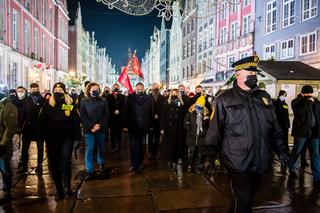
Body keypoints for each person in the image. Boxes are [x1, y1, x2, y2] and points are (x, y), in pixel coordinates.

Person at [204, 56, 289, 213]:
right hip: (237, 160)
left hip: (261, 159)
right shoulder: (224, 99)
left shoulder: (264, 97)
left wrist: (282, 151)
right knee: (243, 202)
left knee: (245, 200)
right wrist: (210, 155)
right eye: (250, 72)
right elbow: (215, 130)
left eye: (255, 73)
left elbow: (274, 128)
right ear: (238, 75)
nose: (254, 75)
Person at [38, 82, 81, 200]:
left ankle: (67, 187)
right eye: (56, 89)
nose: (58, 91)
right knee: (54, 164)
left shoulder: (69, 103)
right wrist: (41, 136)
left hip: (67, 138)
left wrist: (78, 137)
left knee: (65, 162)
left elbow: (76, 121)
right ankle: (59, 190)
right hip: (52, 139)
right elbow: (41, 121)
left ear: (64, 91)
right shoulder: (47, 103)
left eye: (60, 89)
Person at [289, 85, 320, 187]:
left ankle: (317, 177)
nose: (310, 95)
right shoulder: (296, 101)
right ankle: (292, 169)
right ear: (302, 93)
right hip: (301, 133)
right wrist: (309, 101)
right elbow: (300, 111)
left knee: (315, 154)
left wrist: (314, 101)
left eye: (311, 93)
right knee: (296, 152)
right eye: (308, 94)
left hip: (314, 133)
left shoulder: (315, 102)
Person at [80, 83, 109, 180]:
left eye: (97, 89)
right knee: (89, 149)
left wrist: (98, 125)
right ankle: (89, 170)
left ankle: (101, 163)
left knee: (101, 147)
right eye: (93, 89)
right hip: (89, 129)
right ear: (89, 90)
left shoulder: (103, 100)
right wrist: (92, 126)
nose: (95, 90)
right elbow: (83, 115)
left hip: (100, 128)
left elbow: (106, 114)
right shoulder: (84, 101)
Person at [123, 83, 153, 172]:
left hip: (144, 126)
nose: (140, 90)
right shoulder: (130, 98)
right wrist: (125, 125)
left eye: (141, 89)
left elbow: (151, 111)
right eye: (138, 89)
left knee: (142, 146)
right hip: (133, 126)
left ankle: (140, 163)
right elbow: (125, 112)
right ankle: (133, 164)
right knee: (133, 146)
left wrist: (151, 125)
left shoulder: (148, 98)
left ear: (143, 89)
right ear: (135, 88)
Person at [18, 83, 45, 174]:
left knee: (40, 148)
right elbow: (22, 114)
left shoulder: (43, 100)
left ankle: (39, 165)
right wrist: (20, 127)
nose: (34, 91)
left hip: (40, 128)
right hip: (28, 128)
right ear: (30, 90)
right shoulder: (26, 100)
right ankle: (24, 166)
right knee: (25, 148)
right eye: (32, 89)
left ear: (38, 89)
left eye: (36, 89)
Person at [161, 89, 185, 176]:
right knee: (170, 144)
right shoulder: (166, 102)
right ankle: (170, 159)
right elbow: (163, 116)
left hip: (178, 127)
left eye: (176, 93)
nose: (174, 95)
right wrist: (162, 128)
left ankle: (176, 159)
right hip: (169, 127)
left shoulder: (181, 103)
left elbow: (184, 116)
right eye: (173, 93)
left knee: (178, 144)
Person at [184, 95, 209, 173]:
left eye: (201, 105)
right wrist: (189, 130)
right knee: (191, 152)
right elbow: (185, 121)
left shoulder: (205, 112)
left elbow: (208, 126)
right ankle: (189, 165)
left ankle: (197, 167)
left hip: (201, 136)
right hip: (192, 135)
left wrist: (206, 120)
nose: (199, 106)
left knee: (199, 153)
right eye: (198, 104)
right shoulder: (191, 111)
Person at [0, 92, 18, 201]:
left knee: (4, 167)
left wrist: (3, 143)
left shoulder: (8, 106)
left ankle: (7, 190)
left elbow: (10, 127)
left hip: (2, 142)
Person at [273, 90, 290, 173]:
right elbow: (276, 112)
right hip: (278, 126)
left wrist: (288, 124)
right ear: (280, 95)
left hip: (285, 125)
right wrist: (279, 102)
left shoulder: (285, 105)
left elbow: (286, 115)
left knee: (285, 140)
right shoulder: (276, 103)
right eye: (283, 95)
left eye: (285, 95)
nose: (284, 97)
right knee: (279, 142)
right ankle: (283, 157)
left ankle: (286, 154)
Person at [148, 83, 165, 160]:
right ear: (152, 88)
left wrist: (158, 115)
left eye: (157, 88)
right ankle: (150, 151)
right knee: (150, 137)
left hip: (159, 121)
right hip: (150, 121)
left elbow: (163, 108)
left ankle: (156, 152)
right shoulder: (148, 97)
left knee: (158, 138)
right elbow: (146, 109)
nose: (155, 89)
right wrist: (153, 115)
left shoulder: (162, 97)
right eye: (154, 88)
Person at [107, 84, 125, 152]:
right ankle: (113, 146)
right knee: (112, 133)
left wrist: (119, 111)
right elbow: (107, 107)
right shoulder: (108, 97)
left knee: (119, 133)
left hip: (120, 118)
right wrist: (113, 111)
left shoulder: (122, 97)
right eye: (114, 88)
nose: (116, 89)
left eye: (117, 88)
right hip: (112, 118)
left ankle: (119, 145)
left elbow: (124, 107)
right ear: (112, 89)